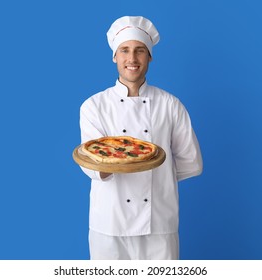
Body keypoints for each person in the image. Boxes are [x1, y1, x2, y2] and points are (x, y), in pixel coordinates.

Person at [78, 16, 203, 260]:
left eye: (140, 51)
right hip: (109, 225)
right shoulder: (94, 106)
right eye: (124, 50)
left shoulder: (170, 105)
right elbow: (94, 164)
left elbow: (191, 163)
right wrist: (146, 168)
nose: (132, 59)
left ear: (150, 56)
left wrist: (156, 178)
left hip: (158, 225)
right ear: (115, 56)